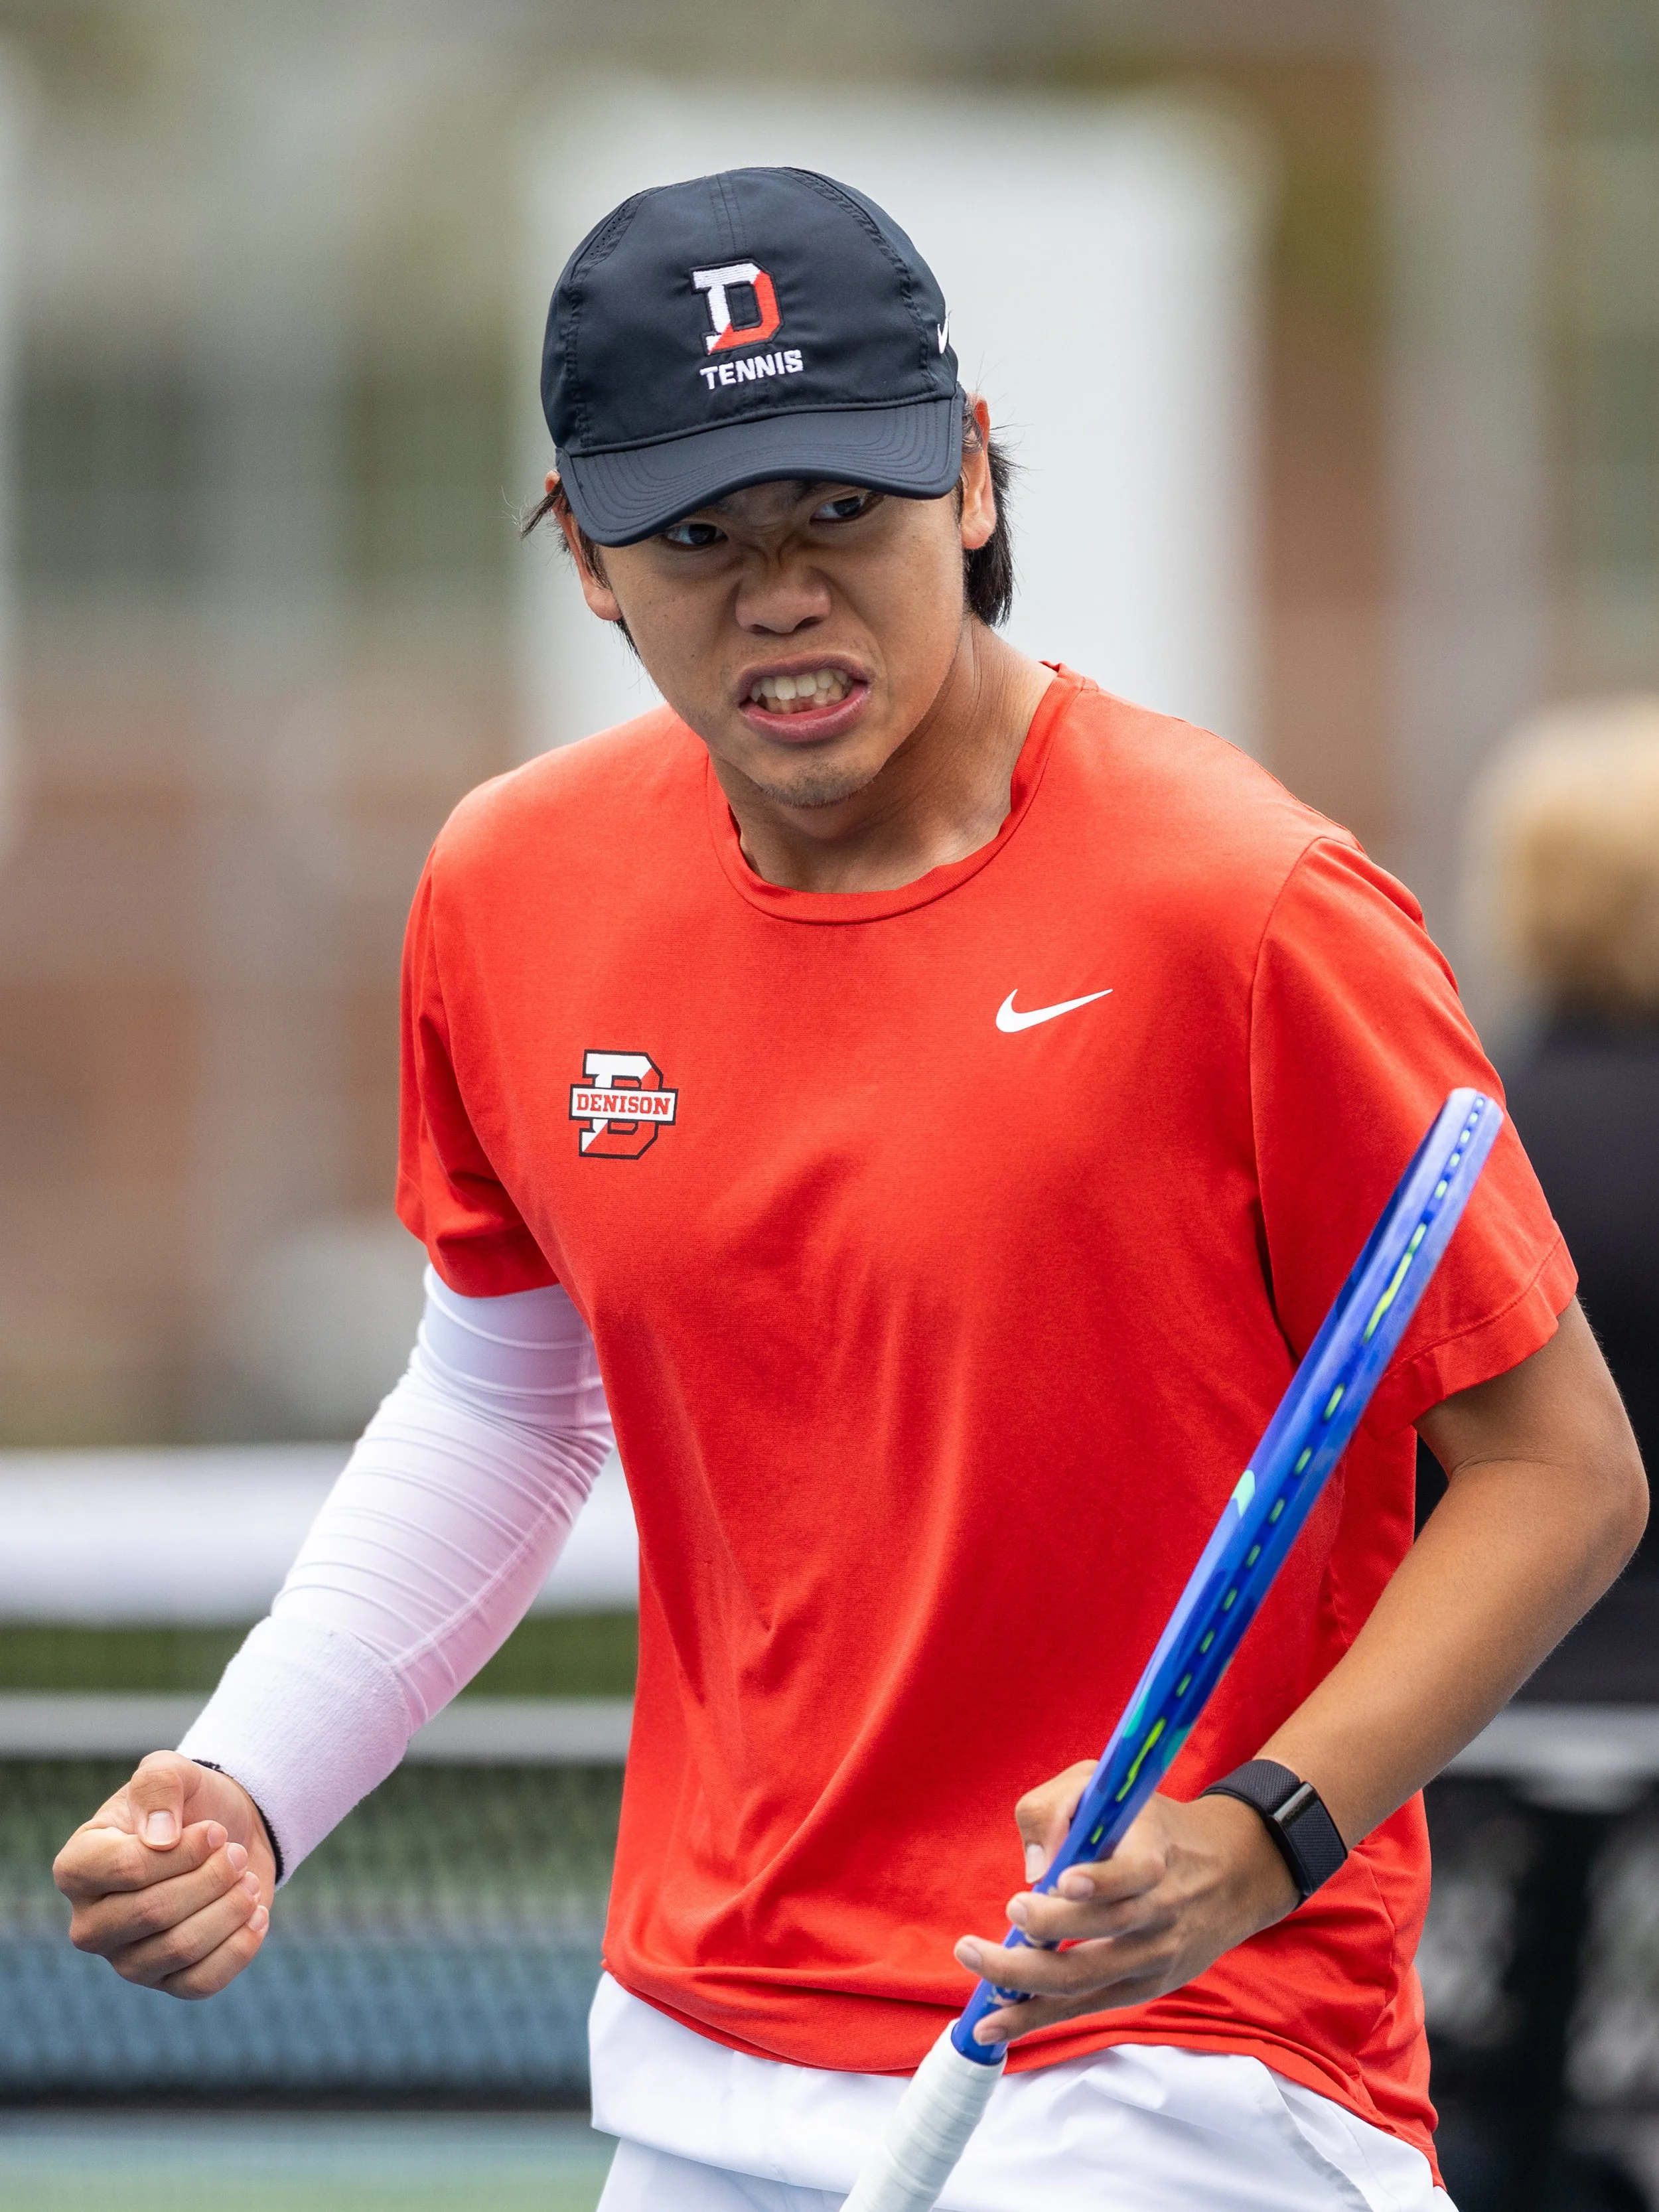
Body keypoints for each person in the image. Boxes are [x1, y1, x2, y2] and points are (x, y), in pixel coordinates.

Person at [53, 169, 1645, 2212]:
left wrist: (1258, 1832)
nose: (781, 589)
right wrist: (250, 1781)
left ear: (970, 483)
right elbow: (501, 1403)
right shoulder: (508, 889)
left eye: (840, 510)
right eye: (699, 532)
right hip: (707, 2060)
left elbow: (1558, 1468)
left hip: (1173, 2059)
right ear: (586, 561)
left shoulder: (1246, 906)